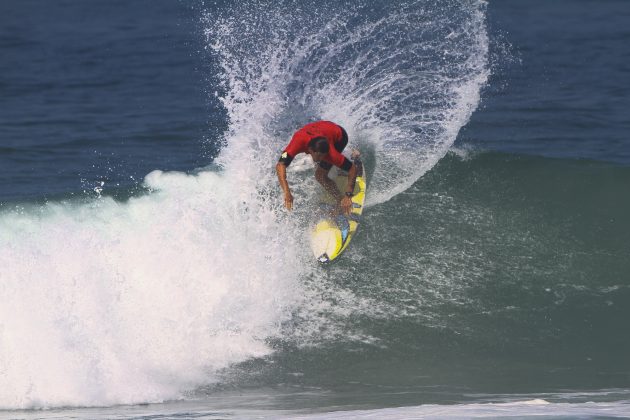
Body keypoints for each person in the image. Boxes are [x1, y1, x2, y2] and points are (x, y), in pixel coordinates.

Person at [276, 120, 358, 215]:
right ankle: (338, 167)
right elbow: (280, 165)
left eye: (324, 156)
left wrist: (348, 195)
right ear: (310, 150)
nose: (322, 158)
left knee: (320, 176)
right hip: (323, 129)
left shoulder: (330, 154)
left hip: (340, 136)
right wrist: (287, 191)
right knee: (323, 165)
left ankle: (339, 200)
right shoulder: (297, 142)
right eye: (319, 156)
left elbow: (353, 169)